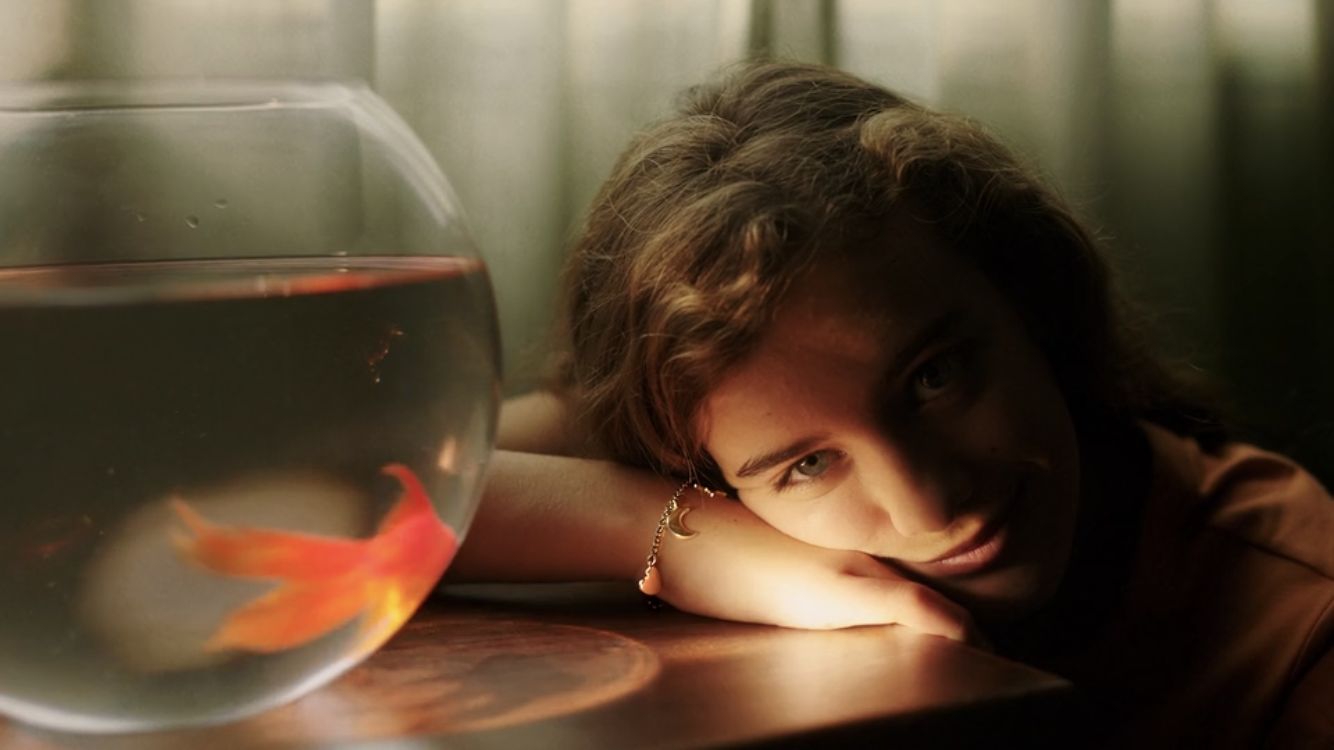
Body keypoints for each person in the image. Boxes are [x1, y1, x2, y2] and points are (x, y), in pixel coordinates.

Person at [449, 61, 1333, 746]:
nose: (929, 502)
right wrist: (681, 540)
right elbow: (336, 491)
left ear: (1031, 304)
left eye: (934, 379)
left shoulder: (1302, 626)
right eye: (805, 465)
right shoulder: (684, 432)